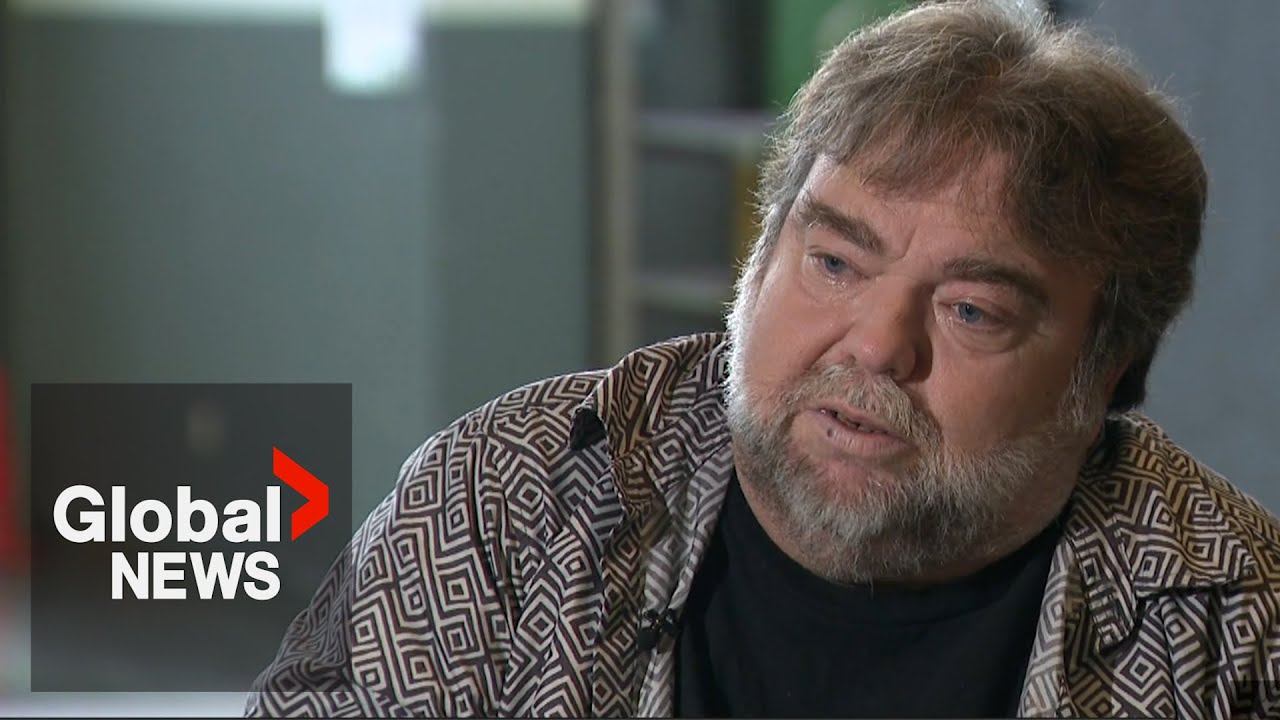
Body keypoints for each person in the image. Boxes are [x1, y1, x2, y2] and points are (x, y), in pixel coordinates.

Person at [245, 1, 1280, 717]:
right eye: (833, 262)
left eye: (971, 311)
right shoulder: (506, 498)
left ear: (1105, 370)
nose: (876, 344)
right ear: (760, 255)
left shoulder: (1231, 617)